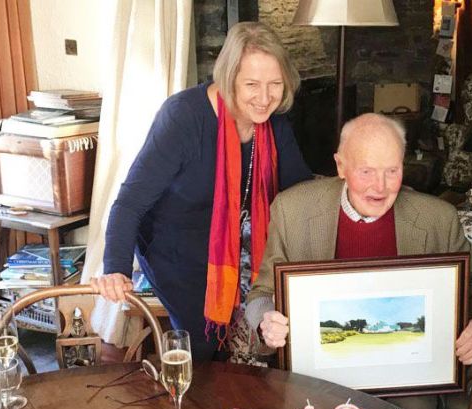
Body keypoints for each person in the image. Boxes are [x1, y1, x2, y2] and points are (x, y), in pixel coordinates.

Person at [245, 113, 472, 409]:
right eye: (367, 171)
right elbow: (262, 293)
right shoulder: (293, 210)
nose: (380, 187)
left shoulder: (437, 218)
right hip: (316, 374)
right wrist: (266, 321)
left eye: (392, 171)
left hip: (407, 380)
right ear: (341, 166)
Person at [90, 22, 312, 362]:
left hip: (241, 237)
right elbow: (130, 202)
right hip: (174, 246)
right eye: (252, 84)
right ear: (227, 79)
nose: (265, 97)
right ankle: (205, 406)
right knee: (208, 342)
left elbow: (300, 191)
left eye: (275, 85)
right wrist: (116, 267)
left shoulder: (274, 119)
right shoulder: (183, 117)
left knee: (273, 325)